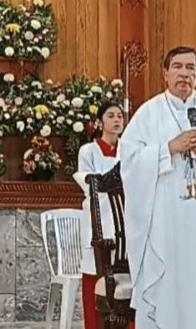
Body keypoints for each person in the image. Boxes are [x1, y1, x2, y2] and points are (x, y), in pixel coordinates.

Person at [118, 46, 196, 328]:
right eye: (177, 67)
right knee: (171, 284)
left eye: (191, 68)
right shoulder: (149, 113)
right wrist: (168, 149)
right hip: (168, 221)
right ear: (165, 73)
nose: (184, 73)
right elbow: (128, 159)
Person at [75, 102, 125, 329]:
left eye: (120, 117)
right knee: (95, 276)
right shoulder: (89, 151)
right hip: (99, 220)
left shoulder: (129, 149)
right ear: (100, 122)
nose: (117, 120)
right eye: (111, 116)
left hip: (125, 220)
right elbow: (89, 183)